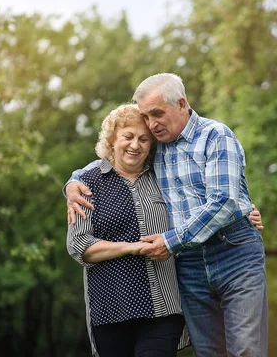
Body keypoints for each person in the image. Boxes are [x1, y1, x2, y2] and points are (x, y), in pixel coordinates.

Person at [66, 73, 268, 357]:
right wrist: (72, 182)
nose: (151, 125)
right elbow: (111, 160)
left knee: (245, 348)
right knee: (209, 351)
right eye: (146, 117)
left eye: (157, 114)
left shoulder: (215, 135)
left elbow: (223, 200)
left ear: (181, 104)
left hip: (232, 252)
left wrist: (172, 240)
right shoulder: (156, 146)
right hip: (190, 264)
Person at [66, 103, 189, 357]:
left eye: (144, 139)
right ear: (112, 140)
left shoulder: (163, 175)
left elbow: (198, 203)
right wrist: (133, 247)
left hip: (163, 308)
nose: (136, 145)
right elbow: (79, 245)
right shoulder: (87, 182)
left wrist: (243, 211)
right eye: (128, 137)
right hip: (110, 308)